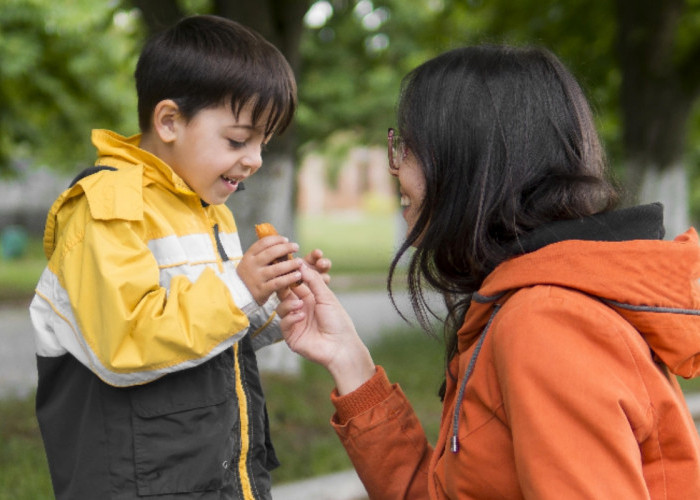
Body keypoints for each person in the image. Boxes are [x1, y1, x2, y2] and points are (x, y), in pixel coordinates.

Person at [276, 45, 700, 498]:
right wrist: (348, 358)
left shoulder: (546, 323)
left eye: (411, 148)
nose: (396, 168)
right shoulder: (527, 305)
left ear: (468, 162)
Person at [29, 15, 329, 500]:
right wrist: (241, 289)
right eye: (238, 140)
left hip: (214, 475)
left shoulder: (211, 211)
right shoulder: (108, 206)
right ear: (169, 121)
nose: (253, 159)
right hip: (139, 482)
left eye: (262, 144)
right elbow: (126, 341)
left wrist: (275, 304)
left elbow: (201, 332)